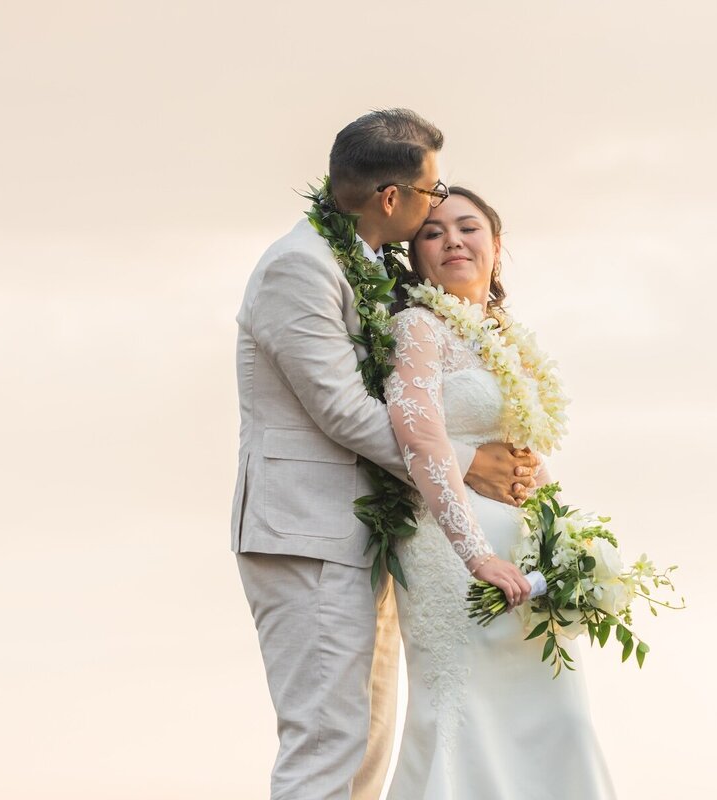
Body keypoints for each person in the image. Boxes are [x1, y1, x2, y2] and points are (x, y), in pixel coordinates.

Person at [231, 110, 539, 800]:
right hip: (307, 535)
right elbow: (342, 411)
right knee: (326, 741)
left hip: (364, 535)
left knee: (365, 742)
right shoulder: (299, 269)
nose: (441, 204)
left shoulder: (359, 264)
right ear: (391, 199)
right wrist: (463, 463)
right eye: (433, 193)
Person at [384, 187, 617, 798]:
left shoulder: (507, 338)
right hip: (453, 552)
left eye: (468, 227)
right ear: (415, 254)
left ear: (496, 243)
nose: (453, 240)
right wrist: (476, 552)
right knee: (468, 717)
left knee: (556, 715)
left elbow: (528, 455)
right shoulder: (418, 327)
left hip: (529, 562)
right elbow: (419, 437)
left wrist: (567, 542)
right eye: (433, 233)